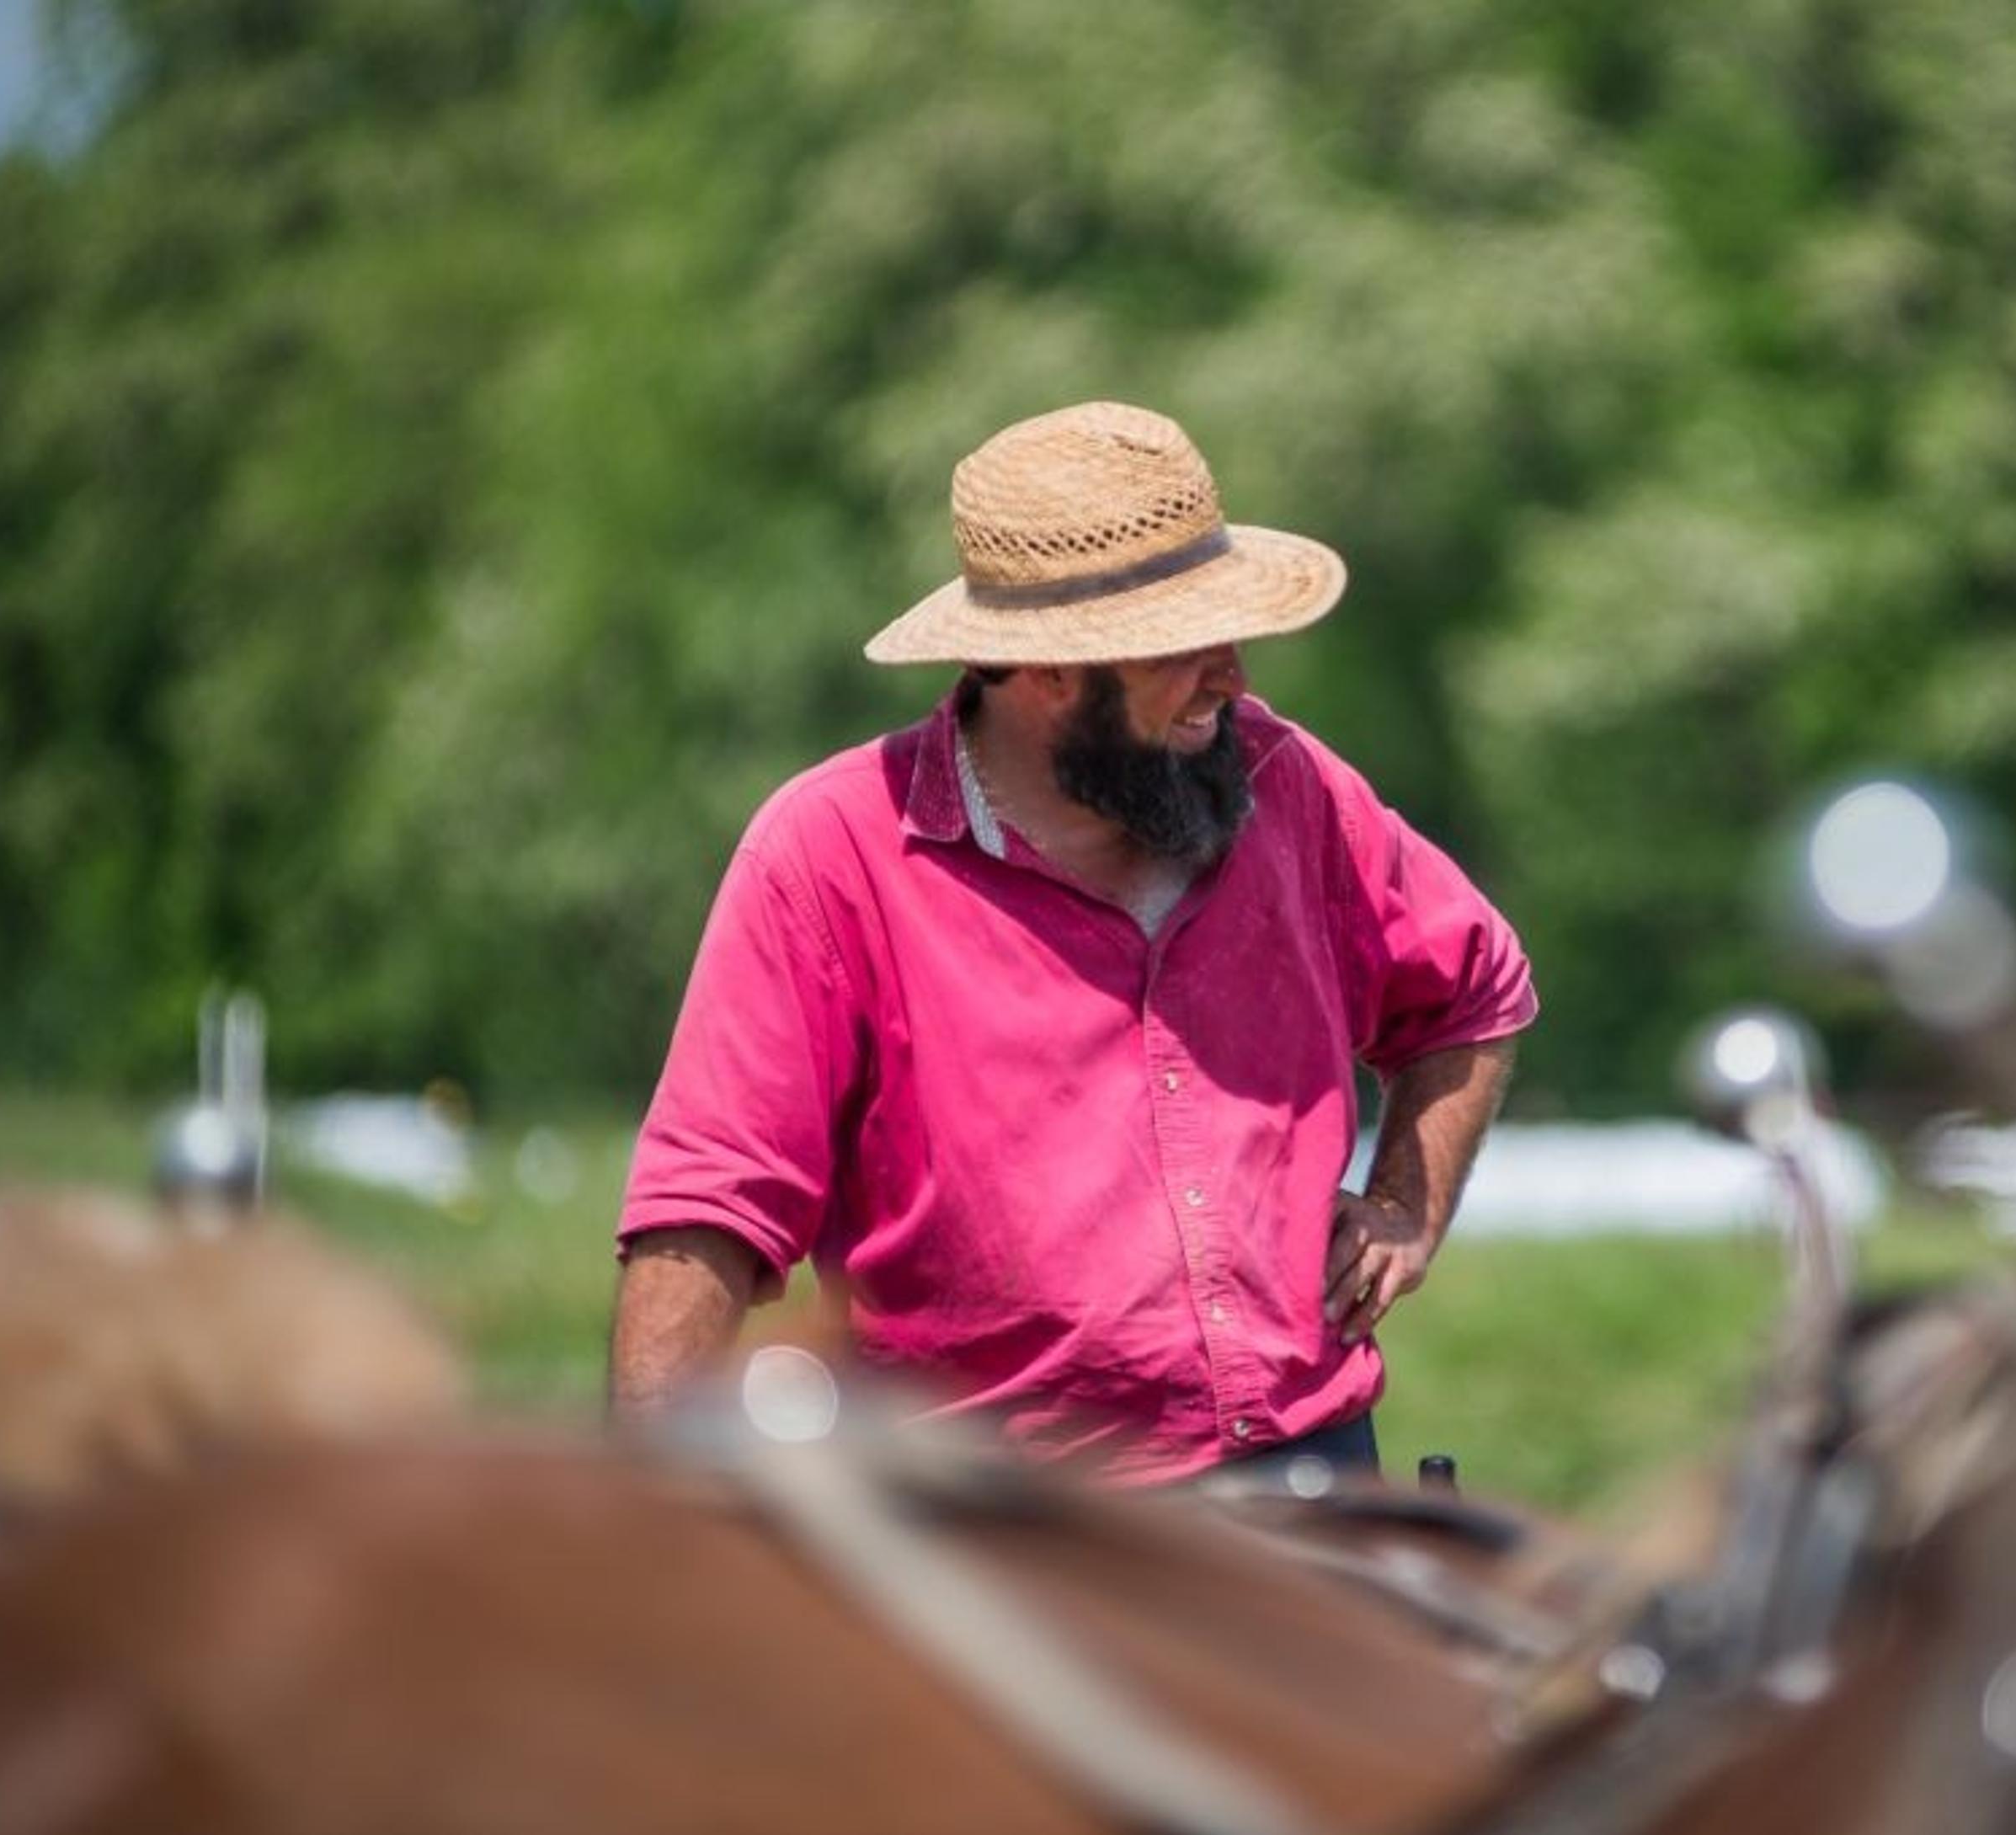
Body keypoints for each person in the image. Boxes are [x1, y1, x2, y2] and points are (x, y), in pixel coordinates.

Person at [607, 401, 1535, 1482]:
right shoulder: (831, 854)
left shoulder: (1296, 788)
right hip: (997, 1531)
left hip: (1307, 1489)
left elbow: (1471, 991)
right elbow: (709, 1208)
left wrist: (1406, 1210)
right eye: (1184, 648)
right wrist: (649, 1529)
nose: (1232, 676)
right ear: (1047, 671)